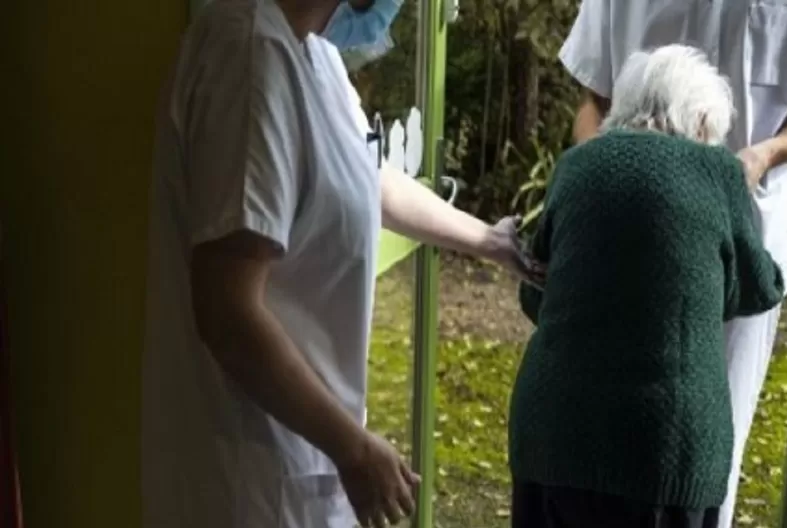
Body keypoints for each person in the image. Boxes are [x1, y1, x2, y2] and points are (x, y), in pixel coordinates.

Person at [142, 1, 540, 527]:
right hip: (252, 481)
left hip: (302, 468)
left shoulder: (313, 54)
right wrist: (353, 448)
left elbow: (364, 175)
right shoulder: (249, 55)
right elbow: (227, 313)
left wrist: (491, 240)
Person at [557, 1, 787, 525]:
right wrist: (608, 176)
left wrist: (764, 155)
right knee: (605, 427)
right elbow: (593, 98)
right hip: (624, 237)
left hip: (742, 237)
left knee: (715, 440)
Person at [509, 44, 786, 528]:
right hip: (663, 448)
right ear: (701, 125)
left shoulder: (576, 165)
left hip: (552, 434)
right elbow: (760, 286)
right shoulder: (719, 171)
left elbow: (536, 291)